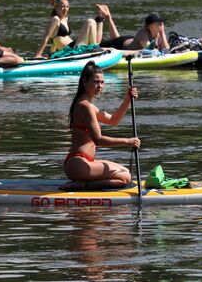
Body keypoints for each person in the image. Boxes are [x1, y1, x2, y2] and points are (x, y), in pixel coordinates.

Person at [60, 61, 141, 191]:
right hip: (78, 164)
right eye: (96, 82)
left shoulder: (89, 106)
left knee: (125, 171)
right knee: (125, 177)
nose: (100, 86)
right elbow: (98, 139)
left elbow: (114, 120)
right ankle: (84, 185)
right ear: (85, 82)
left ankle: (83, 182)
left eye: (102, 82)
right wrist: (127, 141)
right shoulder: (84, 106)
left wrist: (127, 99)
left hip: (84, 163)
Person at [34, 0, 116, 58]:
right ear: (56, 7)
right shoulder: (55, 19)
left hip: (73, 46)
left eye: (67, 6)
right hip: (71, 49)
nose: (65, 9)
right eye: (63, 7)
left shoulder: (65, 19)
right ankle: (94, 50)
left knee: (93, 24)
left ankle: (100, 16)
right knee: (90, 21)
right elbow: (47, 37)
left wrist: (52, 52)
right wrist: (38, 55)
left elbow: (55, 42)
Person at [99, 12, 170, 52]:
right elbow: (149, 50)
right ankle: (100, 19)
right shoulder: (143, 33)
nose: (161, 24)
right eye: (159, 23)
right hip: (121, 44)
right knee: (98, 45)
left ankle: (109, 18)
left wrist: (162, 32)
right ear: (150, 26)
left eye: (162, 22)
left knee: (115, 38)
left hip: (132, 40)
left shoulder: (159, 34)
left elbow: (166, 49)